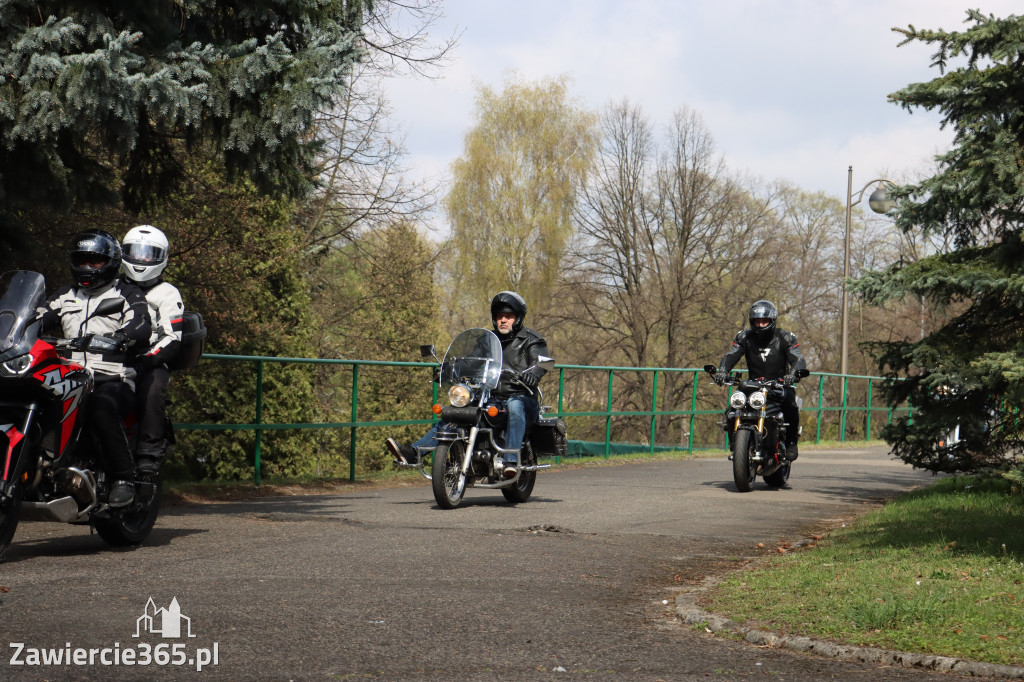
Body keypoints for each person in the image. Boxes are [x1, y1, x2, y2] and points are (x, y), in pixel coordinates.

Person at [39, 230, 151, 506]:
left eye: (95, 261)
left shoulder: (126, 293)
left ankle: (123, 478)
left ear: (111, 262)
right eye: (82, 260)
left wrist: (122, 337)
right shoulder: (65, 294)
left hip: (110, 378)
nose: (87, 267)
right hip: (67, 376)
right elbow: (37, 316)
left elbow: (141, 324)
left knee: (101, 407)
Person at [386, 291, 549, 478]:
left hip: (521, 397)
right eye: (499, 316)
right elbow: (471, 361)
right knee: (459, 408)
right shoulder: (487, 340)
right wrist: (447, 368)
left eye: (508, 316)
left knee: (514, 405)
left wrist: (533, 373)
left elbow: (541, 362)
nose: (503, 320)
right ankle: (415, 453)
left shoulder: (532, 339)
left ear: (518, 318)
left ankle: (510, 460)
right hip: (491, 397)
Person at [121, 225, 183, 474]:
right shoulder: (112, 287)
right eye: (135, 252)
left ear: (162, 258)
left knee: (153, 387)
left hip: (150, 360)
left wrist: (146, 360)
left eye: (148, 254)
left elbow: (172, 338)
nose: (141, 259)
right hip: (107, 356)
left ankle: (149, 452)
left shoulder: (167, 293)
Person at [716, 300, 807, 461]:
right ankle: (736, 445)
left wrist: (793, 374)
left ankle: (792, 442)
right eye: (757, 321)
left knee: (790, 404)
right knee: (731, 409)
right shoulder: (744, 337)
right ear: (752, 321)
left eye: (764, 321)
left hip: (779, 384)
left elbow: (798, 358)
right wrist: (723, 371)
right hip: (753, 385)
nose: (760, 324)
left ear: (772, 321)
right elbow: (731, 355)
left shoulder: (785, 337)